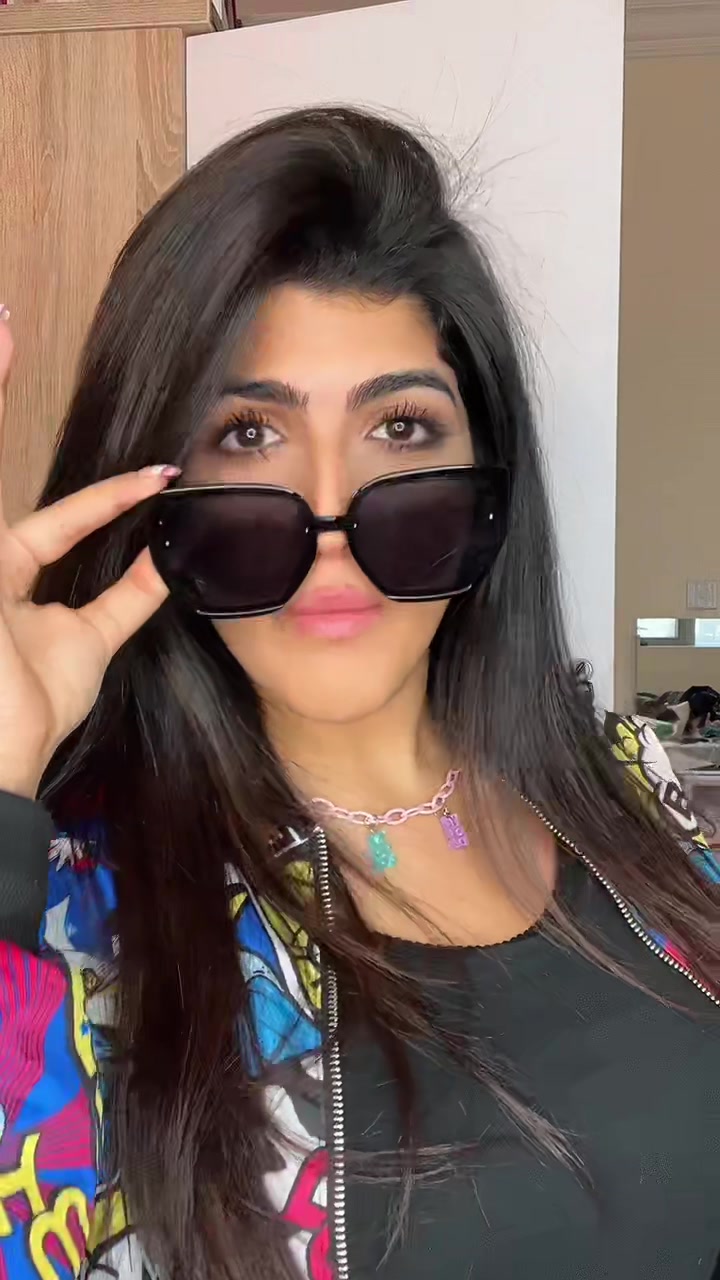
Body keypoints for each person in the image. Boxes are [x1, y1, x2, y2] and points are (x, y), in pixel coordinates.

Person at [0, 107, 718, 1280]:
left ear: (484, 474)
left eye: (400, 425)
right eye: (248, 433)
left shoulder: (632, 789)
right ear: (151, 494)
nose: (331, 521)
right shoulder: (78, 911)